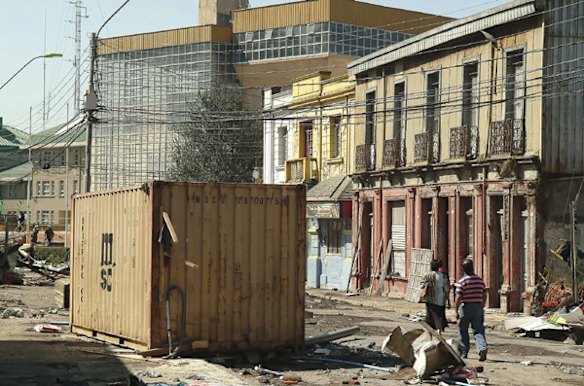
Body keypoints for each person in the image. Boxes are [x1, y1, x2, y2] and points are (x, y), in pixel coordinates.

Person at [455, 258, 488, 361]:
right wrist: (482, 305)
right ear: (473, 267)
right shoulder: (480, 280)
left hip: (465, 307)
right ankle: (482, 348)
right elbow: (484, 294)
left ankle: (464, 352)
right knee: (478, 330)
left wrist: (456, 310)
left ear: (463, 269)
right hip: (478, 306)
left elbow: (458, 297)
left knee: (463, 330)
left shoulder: (462, 281)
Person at [420, 259, 451, 334]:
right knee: (440, 316)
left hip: (430, 299)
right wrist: (448, 301)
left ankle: (431, 332)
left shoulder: (427, 275)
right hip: (441, 300)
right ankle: (439, 330)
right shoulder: (443, 276)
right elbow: (447, 289)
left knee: (430, 317)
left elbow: (422, 286)